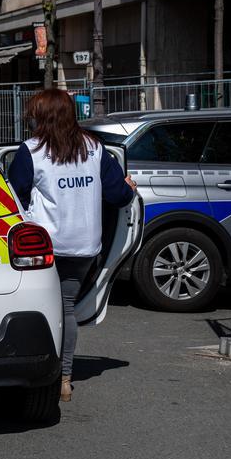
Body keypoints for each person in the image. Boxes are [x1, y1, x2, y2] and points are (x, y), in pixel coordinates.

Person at [8, 89, 136, 402]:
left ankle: (34, 368)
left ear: (41, 116)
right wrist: (129, 188)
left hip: (44, 247)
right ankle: (65, 377)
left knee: (40, 308)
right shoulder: (94, 148)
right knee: (66, 310)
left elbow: (14, 200)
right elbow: (118, 196)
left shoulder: (32, 151)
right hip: (84, 246)